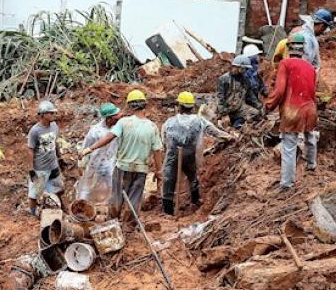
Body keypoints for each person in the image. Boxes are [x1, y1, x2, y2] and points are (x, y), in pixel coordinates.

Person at [80, 90, 163, 218]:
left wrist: (90, 148)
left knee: (116, 197)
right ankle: (128, 226)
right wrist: (159, 171)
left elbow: (109, 137)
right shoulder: (152, 127)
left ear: (130, 106)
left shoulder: (124, 123)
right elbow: (157, 150)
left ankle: (113, 221)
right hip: (141, 169)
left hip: (122, 168)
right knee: (134, 199)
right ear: (144, 105)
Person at [161, 92, 233, 215]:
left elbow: (163, 139)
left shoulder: (169, 122)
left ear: (179, 106)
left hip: (173, 155)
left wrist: (167, 148)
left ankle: (168, 210)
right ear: (192, 107)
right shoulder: (199, 120)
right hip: (191, 155)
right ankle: (195, 200)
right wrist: (229, 137)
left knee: (168, 179)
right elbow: (214, 131)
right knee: (193, 177)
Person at [265, 32, 319, 190]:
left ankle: (287, 183)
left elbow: (280, 90)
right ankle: (311, 164)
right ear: (303, 50)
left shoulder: (285, 64)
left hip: (292, 110)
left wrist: (269, 105)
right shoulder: (311, 67)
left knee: (289, 146)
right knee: (310, 136)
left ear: (288, 48)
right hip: (310, 108)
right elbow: (312, 90)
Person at [76, 103, 120, 203]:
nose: (117, 118)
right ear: (108, 118)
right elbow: (85, 147)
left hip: (111, 164)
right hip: (95, 164)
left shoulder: (117, 128)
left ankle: (109, 209)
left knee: (112, 187)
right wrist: (81, 165)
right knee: (86, 188)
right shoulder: (95, 130)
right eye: (115, 116)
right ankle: (80, 206)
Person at [26, 100, 63, 216]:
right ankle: (32, 214)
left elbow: (55, 142)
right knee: (34, 194)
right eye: (51, 113)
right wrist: (31, 169)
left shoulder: (54, 126)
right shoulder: (35, 131)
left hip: (53, 165)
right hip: (40, 168)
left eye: (53, 113)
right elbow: (30, 150)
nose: (53, 115)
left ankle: (59, 208)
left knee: (58, 189)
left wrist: (60, 157)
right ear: (42, 115)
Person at [216, 57, 259, 128]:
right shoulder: (224, 79)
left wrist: (259, 106)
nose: (245, 71)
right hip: (226, 109)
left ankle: (237, 124)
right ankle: (226, 121)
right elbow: (220, 98)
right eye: (244, 68)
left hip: (239, 108)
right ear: (239, 67)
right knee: (223, 124)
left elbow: (250, 96)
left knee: (256, 113)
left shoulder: (245, 80)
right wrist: (224, 114)